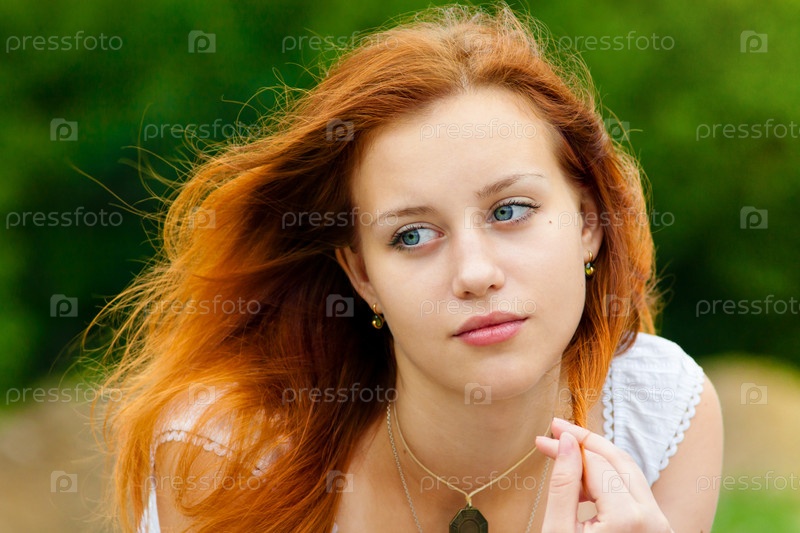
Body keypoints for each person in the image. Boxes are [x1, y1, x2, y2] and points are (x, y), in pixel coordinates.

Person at [94, 4, 723, 532]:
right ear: (362, 275)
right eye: (413, 235)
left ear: (588, 223)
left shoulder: (657, 410)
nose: (474, 273)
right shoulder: (231, 452)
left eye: (510, 211)